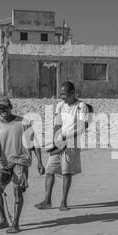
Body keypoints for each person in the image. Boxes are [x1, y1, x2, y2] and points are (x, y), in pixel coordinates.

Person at [0, 97, 45, 234]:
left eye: (5, 108)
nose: (3, 111)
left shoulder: (23, 123)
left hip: (21, 161)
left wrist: (39, 162)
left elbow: (34, 143)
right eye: (0, 108)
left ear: (10, 107)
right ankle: (3, 220)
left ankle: (15, 223)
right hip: (4, 163)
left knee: (17, 189)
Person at [35, 81, 89, 211]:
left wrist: (66, 136)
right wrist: (55, 140)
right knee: (49, 170)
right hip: (58, 144)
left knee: (66, 172)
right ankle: (47, 201)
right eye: (61, 94)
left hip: (72, 144)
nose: (62, 97)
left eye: (65, 94)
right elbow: (57, 124)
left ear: (72, 93)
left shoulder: (82, 106)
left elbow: (82, 128)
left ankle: (63, 202)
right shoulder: (60, 105)